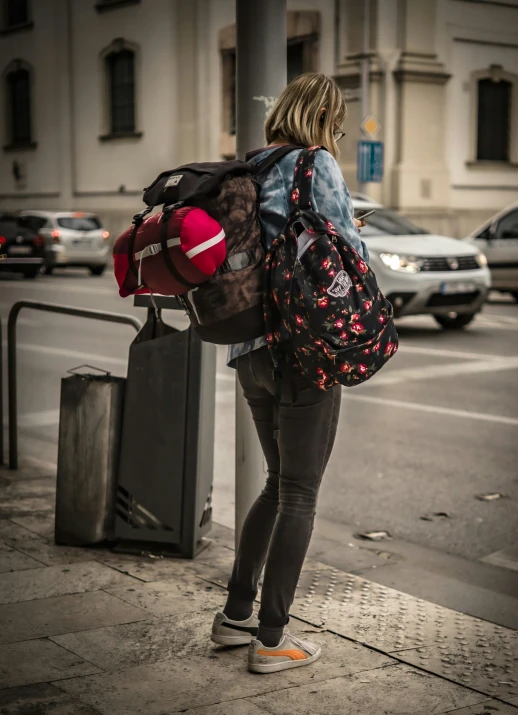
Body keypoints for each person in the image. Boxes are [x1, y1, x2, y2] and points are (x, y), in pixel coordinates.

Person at [211, 73, 369, 673]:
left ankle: (235, 618)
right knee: (299, 492)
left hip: (248, 350)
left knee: (277, 484)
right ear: (324, 117)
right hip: (301, 349)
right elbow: (347, 250)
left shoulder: (248, 168)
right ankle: (272, 641)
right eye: (338, 121)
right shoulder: (316, 163)